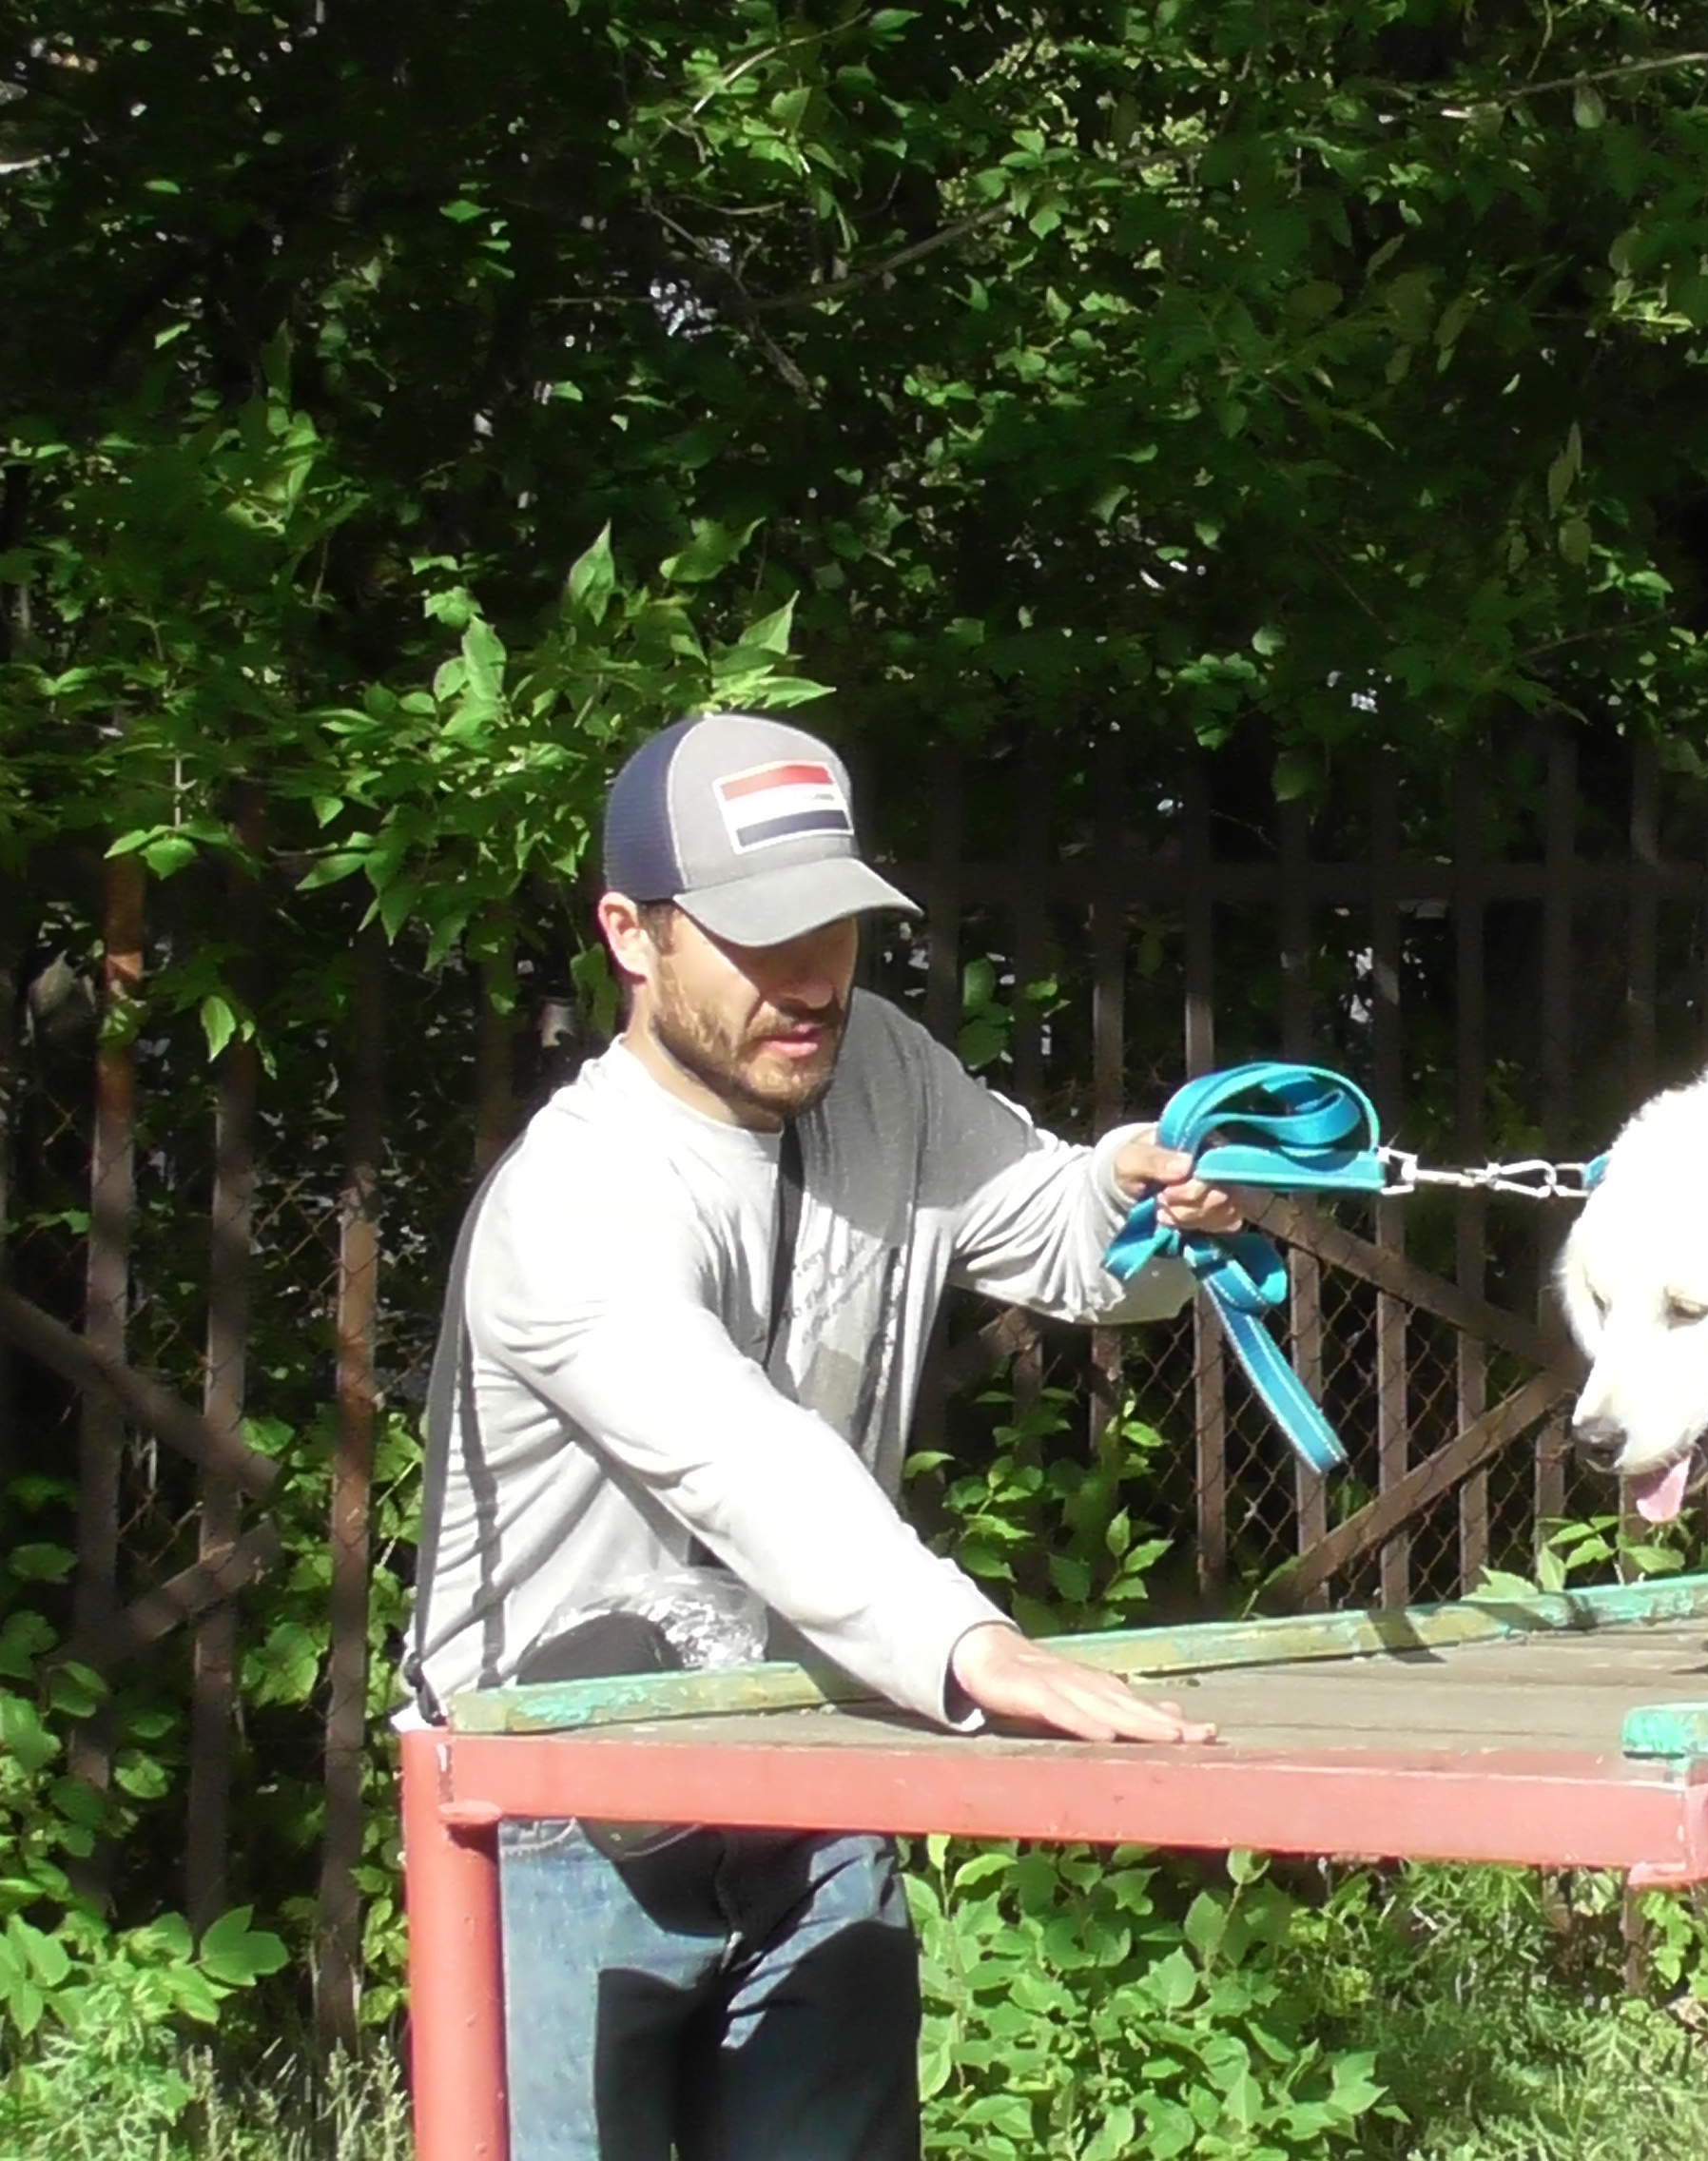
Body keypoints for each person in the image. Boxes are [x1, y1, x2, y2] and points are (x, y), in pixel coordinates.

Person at [404, 711, 1231, 2161]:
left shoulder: (881, 1071)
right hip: (548, 1809)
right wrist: (970, 1645)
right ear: (630, 934)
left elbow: (1055, 1229)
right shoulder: (575, 1199)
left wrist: (1143, 1191)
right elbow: (744, 1462)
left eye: (834, 926)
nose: (810, 979)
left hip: (810, 1763)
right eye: (758, 936)